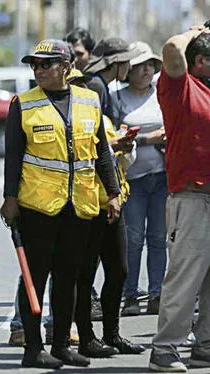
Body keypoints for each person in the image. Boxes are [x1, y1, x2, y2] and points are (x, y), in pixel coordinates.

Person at [1, 39, 121, 369]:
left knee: (69, 279)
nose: (38, 70)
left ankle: (60, 345)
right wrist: (9, 199)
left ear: (66, 67)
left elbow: (102, 153)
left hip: (79, 206)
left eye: (46, 64)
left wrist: (112, 193)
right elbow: (13, 157)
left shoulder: (89, 100)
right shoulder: (23, 104)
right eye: (35, 65)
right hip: (37, 207)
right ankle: (33, 348)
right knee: (34, 280)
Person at [70, 64, 147, 358]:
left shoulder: (102, 119)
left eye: (85, 86)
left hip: (112, 205)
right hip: (84, 207)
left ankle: (112, 335)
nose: (84, 91)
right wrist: (111, 144)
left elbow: (116, 162)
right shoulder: (66, 120)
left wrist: (125, 148)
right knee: (84, 275)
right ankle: (87, 337)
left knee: (119, 271)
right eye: (77, 85)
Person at [148, 25, 210, 372]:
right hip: (192, 198)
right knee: (185, 277)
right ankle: (165, 349)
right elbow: (171, 47)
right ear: (200, 61)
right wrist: (195, 31)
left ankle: (205, 345)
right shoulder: (182, 88)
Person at [110, 42, 167, 317]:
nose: (146, 70)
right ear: (127, 70)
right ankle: (130, 294)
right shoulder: (116, 97)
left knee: (158, 237)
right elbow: (114, 138)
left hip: (162, 176)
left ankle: (156, 293)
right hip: (131, 179)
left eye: (149, 65)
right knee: (133, 238)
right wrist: (147, 139)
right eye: (139, 66)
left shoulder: (161, 95)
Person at [84, 37, 142, 120]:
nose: (130, 67)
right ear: (115, 63)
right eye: (127, 62)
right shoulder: (96, 86)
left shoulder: (101, 85)